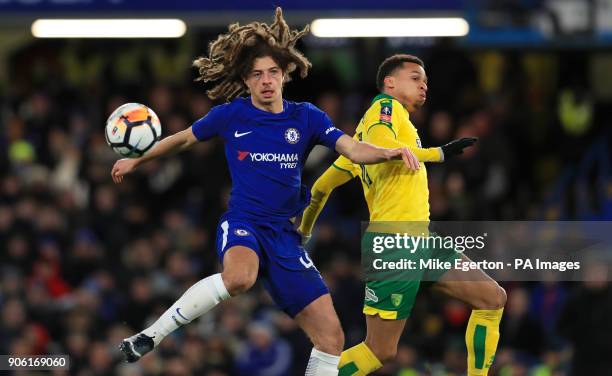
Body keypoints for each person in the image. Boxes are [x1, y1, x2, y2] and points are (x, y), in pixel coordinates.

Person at [111, 9, 420, 376]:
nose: (266, 81)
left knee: (332, 338)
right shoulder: (232, 115)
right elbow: (183, 139)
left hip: (285, 237)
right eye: (257, 75)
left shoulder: (307, 117)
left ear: (285, 74)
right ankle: (151, 335)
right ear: (246, 80)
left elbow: (352, 149)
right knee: (241, 277)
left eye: (273, 72)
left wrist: (387, 151)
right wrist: (138, 160)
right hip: (245, 223)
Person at [298, 54, 507, 376]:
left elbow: (321, 188)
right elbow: (383, 141)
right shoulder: (385, 108)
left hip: (420, 239)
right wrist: (436, 153)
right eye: (415, 77)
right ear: (390, 83)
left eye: (425, 80)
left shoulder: (360, 143)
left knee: (492, 298)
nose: (423, 85)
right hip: (395, 242)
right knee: (380, 350)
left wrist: (306, 229)